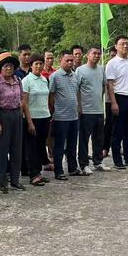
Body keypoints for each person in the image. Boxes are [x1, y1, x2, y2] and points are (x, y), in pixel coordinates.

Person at [0, 52, 25, 193]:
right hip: (2, 115)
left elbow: (21, 99)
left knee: (17, 149)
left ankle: (15, 180)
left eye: (11, 66)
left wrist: (20, 115)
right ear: (1, 68)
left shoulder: (18, 81)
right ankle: (3, 182)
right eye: (5, 66)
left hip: (16, 114)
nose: (8, 68)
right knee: (2, 150)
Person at [105, 35, 128, 169]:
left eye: (127, 44)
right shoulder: (112, 63)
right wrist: (113, 103)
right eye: (122, 44)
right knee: (118, 131)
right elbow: (110, 85)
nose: (126, 46)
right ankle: (117, 160)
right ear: (116, 46)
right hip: (120, 99)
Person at [76, 46, 111, 173]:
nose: (96, 56)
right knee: (84, 139)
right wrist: (79, 106)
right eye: (94, 53)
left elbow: (103, 88)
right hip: (86, 110)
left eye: (98, 54)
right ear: (88, 55)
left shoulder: (101, 69)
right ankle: (84, 164)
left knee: (99, 138)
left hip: (99, 110)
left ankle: (98, 162)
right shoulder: (80, 70)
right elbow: (77, 90)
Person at [22, 54, 52, 186]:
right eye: (36, 64)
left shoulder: (45, 80)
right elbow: (24, 103)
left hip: (44, 117)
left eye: (41, 63)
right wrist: (29, 122)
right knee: (31, 147)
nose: (39, 66)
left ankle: (39, 172)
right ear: (31, 66)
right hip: (32, 118)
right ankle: (33, 174)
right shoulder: (26, 81)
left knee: (40, 146)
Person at [49, 51, 80, 179]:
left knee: (72, 145)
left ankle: (73, 168)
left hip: (74, 116)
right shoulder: (55, 76)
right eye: (67, 60)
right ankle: (59, 171)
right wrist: (53, 111)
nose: (70, 63)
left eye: (71, 60)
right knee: (59, 146)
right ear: (61, 60)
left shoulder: (74, 75)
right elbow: (51, 95)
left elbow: (77, 93)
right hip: (61, 117)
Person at [102, 46, 117, 158]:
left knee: (119, 125)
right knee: (109, 124)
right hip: (108, 100)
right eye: (111, 56)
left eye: (115, 55)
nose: (113, 58)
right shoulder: (106, 67)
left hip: (121, 98)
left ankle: (117, 146)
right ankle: (105, 147)